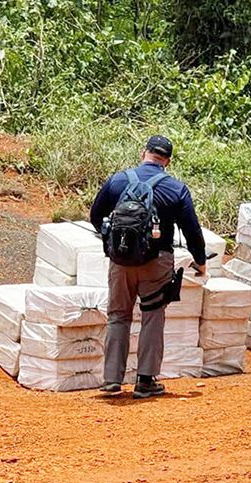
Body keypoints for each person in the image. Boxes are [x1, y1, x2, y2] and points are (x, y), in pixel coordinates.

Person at [90, 135, 207, 399]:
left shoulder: (118, 180)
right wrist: (200, 262)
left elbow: (96, 215)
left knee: (118, 316)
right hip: (157, 262)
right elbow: (192, 231)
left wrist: (112, 241)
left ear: (144, 153)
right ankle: (145, 381)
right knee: (153, 316)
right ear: (167, 160)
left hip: (120, 262)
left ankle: (111, 380)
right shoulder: (176, 188)